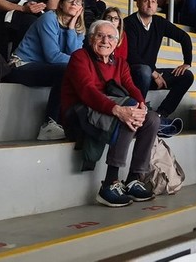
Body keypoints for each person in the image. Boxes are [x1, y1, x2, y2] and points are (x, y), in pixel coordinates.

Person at [60, 20, 159, 207]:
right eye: (100, 35)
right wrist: (118, 110)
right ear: (91, 39)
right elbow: (87, 91)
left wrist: (142, 104)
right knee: (129, 112)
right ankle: (110, 183)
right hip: (79, 112)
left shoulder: (120, 62)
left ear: (116, 42)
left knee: (152, 119)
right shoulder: (79, 57)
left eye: (110, 37)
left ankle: (133, 178)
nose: (105, 40)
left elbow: (130, 86)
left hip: (104, 110)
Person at [4, 0, 85, 140]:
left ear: (81, 8)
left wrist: (72, 28)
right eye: (70, 0)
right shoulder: (49, 18)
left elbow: (75, 54)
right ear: (61, 3)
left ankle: (68, 122)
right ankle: (49, 125)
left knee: (74, 72)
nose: (74, 3)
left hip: (45, 69)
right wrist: (82, 65)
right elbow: (53, 57)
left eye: (78, 2)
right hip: (22, 65)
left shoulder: (79, 29)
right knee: (68, 69)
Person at [124, 0, 194, 118]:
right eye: (146, 1)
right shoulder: (129, 23)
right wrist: (153, 72)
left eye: (154, 1)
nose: (150, 4)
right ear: (138, 3)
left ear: (156, 5)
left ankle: (161, 114)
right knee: (144, 70)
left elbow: (184, 37)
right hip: (132, 75)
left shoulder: (159, 22)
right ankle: (139, 110)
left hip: (150, 74)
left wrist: (187, 62)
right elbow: (131, 55)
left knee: (187, 76)